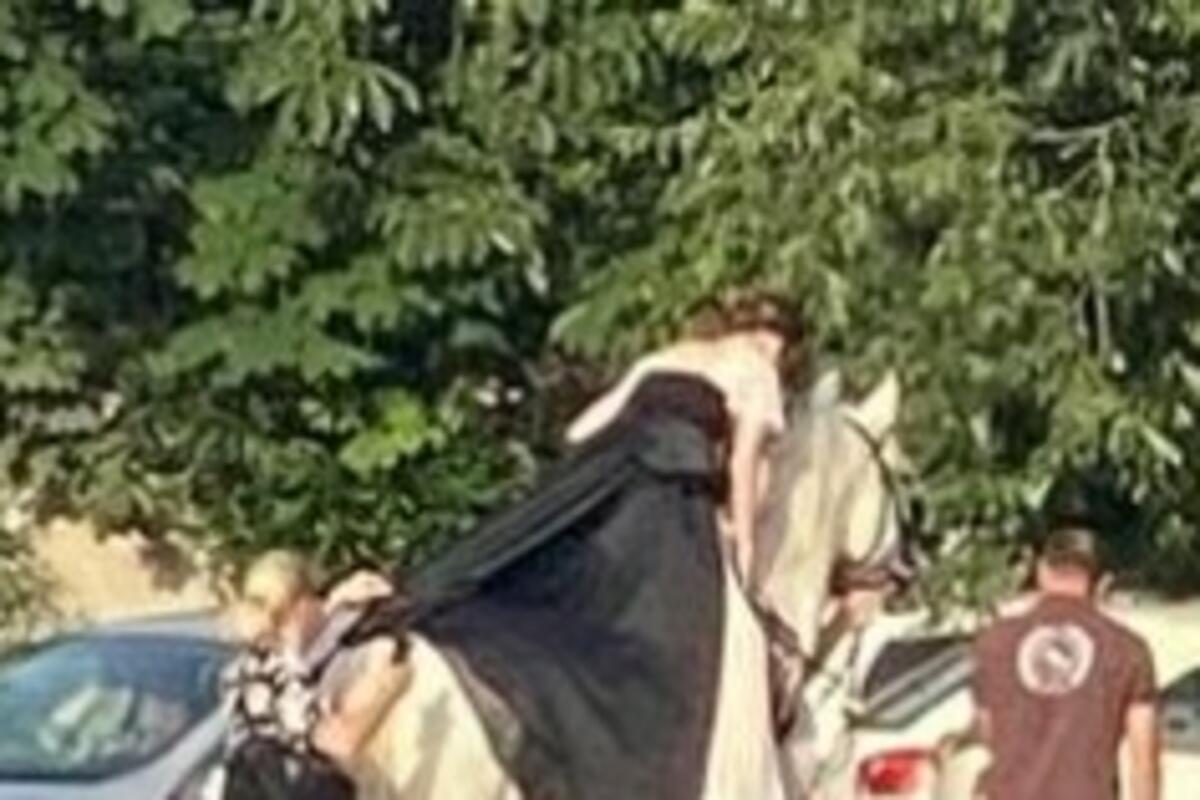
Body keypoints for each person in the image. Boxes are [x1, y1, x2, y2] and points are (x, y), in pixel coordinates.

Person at [348, 289, 807, 800]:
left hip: (605, 484)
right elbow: (745, 464)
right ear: (779, 345)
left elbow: (581, 430)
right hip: (666, 507)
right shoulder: (757, 368)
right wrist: (744, 559)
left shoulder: (670, 357)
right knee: (671, 653)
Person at [941, 526, 1161, 800]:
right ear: (1103, 583)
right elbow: (1143, 761)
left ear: (1041, 572)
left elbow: (988, 730)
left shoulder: (994, 643)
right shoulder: (1127, 650)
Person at [216, 551, 410, 800]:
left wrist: (339, 599)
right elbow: (341, 741)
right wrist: (389, 686)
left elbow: (308, 641)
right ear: (300, 606)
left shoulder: (246, 669)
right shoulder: (269, 683)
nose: (320, 605)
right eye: (314, 596)